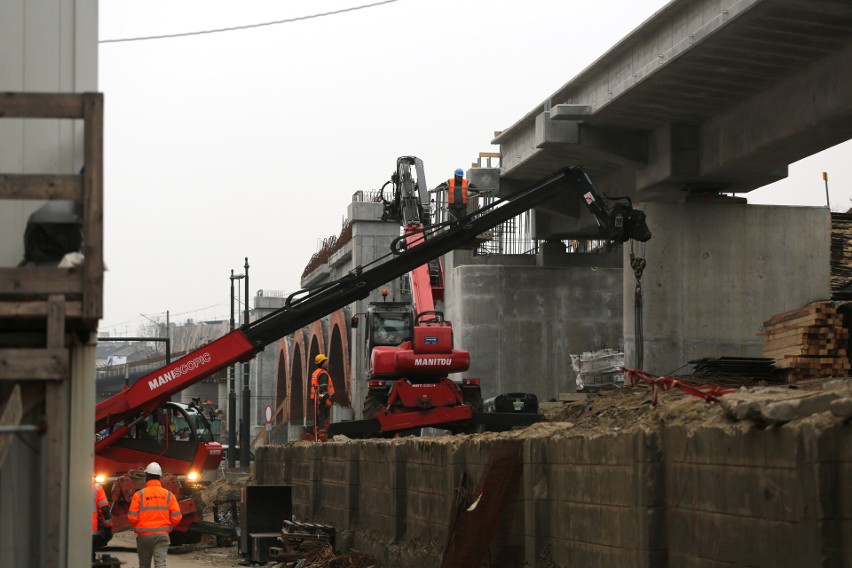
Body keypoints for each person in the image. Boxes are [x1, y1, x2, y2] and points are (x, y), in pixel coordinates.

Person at [127, 462, 183, 568]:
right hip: (162, 535)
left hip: (144, 536)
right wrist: (169, 527)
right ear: (160, 477)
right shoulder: (169, 495)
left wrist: (140, 526)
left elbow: (132, 517)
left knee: (144, 565)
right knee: (160, 564)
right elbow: (177, 517)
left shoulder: (139, 495)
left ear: (147, 476)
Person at [311, 354, 335, 431]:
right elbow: (323, 388)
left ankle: (318, 434)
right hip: (323, 400)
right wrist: (327, 398)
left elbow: (318, 389)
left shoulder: (315, 373)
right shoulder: (323, 374)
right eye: (325, 361)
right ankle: (322, 435)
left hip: (316, 399)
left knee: (318, 419)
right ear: (322, 362)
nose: (327, 363)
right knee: (324, 419)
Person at [92, 480, 113, 560]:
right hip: (91, 531)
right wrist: (108, 528)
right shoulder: (96, 488)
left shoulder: (66, 485)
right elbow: (104, 511)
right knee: (89, 558)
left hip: (70, 530)